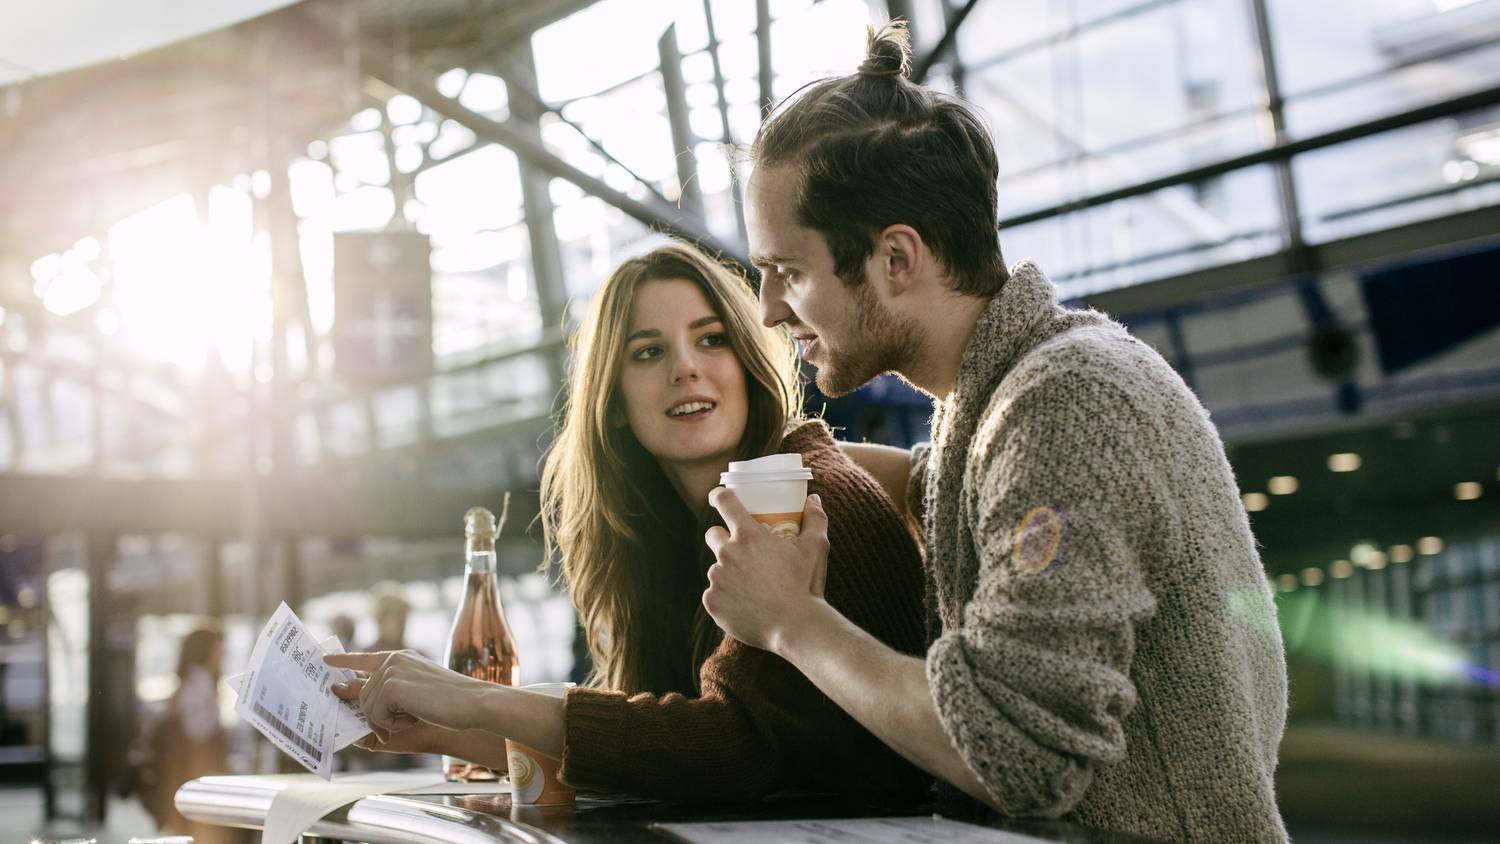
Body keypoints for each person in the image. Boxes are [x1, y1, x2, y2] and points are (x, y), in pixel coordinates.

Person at [697, 21, 1289, 843]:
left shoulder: (1070, 405)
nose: (767, 309)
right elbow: (967, 487)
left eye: (789, 272)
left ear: (897, 260)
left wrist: (789, 620)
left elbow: (1018, 756)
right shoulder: (993, 409)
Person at [327, 242, 930, 801]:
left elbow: (733, 749)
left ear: (748, 362)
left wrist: (475, 699)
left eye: (712, 339)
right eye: (648, 352)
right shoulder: (668, 537)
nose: (685, 368)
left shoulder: (809, 500)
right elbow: (651, 743)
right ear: (613, 402)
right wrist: (430, 727)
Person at [136, 624, 242, 844]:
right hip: (195, 775)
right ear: (208, 650)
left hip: (187, 777)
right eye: (218, 647)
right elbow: (198, 732)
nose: (222, 652)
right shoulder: (198, 684)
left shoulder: (191, 682)